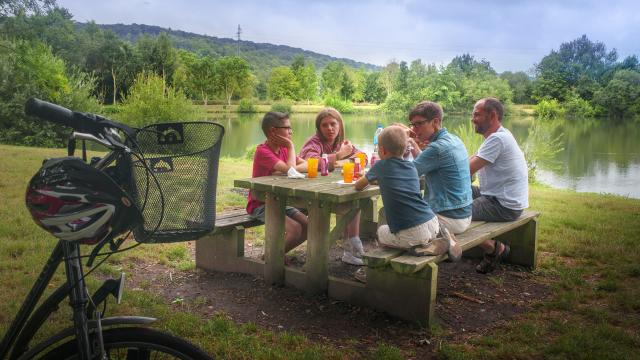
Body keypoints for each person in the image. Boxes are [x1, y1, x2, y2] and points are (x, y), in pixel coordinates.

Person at [355, 126, 459, 261]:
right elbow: (396, 181)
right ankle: (439, 237)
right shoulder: (411, 167)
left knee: (381, 233)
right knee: (392, 221)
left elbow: (358, 186)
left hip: (413, 233)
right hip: (431, 221)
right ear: (405, 149)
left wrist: (365, 178)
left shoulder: (380, 166)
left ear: (382, 150)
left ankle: (417, 248)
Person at [299, 107, 367, 265]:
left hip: (330, 189)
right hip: (307, 192)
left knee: (353, 199)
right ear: (319, 127)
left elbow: (362, 157)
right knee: (350, 201)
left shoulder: (341, 143)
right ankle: (332, 251)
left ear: (340, 125)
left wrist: (340, 160)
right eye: (325, 125)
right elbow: (312, 162)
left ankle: (352, 244)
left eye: (333, 124)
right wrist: (339, 157)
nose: (330, 128)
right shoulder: (313, 143)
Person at [469, 97, 529, 274]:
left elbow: (465, 170)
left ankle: (494, 248)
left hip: (502, 205)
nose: (473, 119)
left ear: (492, 115)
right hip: (496, 197)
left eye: (477, 115)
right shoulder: (498, 136)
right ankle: (449, 242)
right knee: (447, 196)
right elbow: (470, 162)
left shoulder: (498, 139)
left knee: (454, 212)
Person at [406, 101, 473, 239]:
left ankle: (388, 253)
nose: (414, 129)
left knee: (391, 213)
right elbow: (423, 162)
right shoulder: (454, 140)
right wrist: (412, 143)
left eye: (419, 124)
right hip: (464, 214)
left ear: (435, 122)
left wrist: (394, 149)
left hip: (448, 218)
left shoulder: (437, 148)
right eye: (412, 125)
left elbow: (405, 175)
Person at [246, 111, 309, 254]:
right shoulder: (263, 151)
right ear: (273, 131)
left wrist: (285, 170)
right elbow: (292, 170)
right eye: (287, 128)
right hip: (261, 204)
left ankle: (277, 256)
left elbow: (308, 165)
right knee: (295, 229)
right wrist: (291, 147)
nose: (291, 132)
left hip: (280, 202)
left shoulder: (283, 150)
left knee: (308, 226)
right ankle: (271, 259)